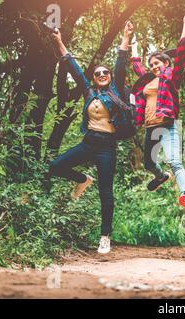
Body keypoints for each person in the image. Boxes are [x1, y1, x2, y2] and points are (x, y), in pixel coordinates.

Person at [48, 22, 134, 254]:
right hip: (88, 144)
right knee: (56, 166)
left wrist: (126, 36)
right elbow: (73, 67)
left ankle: (105, 236)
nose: (103, 74)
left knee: (106, 192)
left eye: (105, 72)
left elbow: (121, 62)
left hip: (107, 147)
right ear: (94, 78)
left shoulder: (115, 91)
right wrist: (58, 41)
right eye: (98, 73)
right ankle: (83, 178)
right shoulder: (89, 92)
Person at [129, 9, 185, 213]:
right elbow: (136, 66)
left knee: (174, 161)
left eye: (157, 63)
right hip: (151, 127)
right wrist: (133, 45)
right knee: (149, 164)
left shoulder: (171, 77)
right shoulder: (148, 80)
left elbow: (182, 54)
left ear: (166, 63)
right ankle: (161, 176)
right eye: (151, 65)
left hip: (167, 125)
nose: (153, 67)